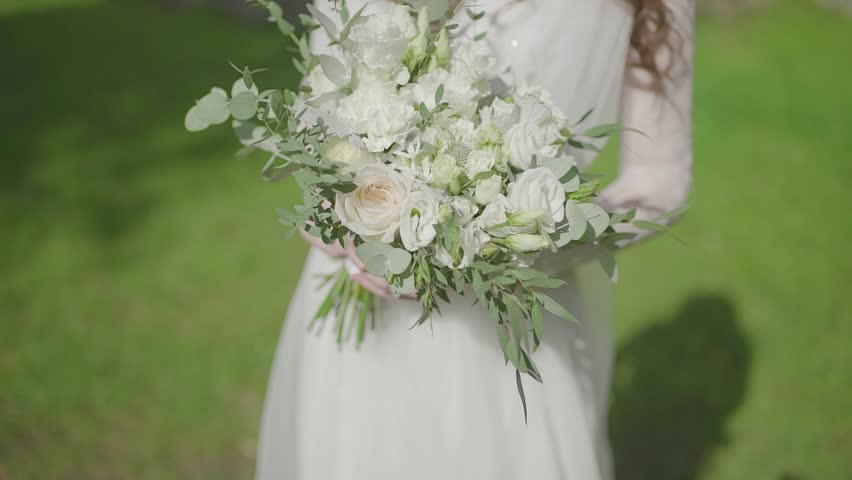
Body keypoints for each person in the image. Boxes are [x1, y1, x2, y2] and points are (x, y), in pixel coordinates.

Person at [256, 0, 694, 478]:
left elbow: (659, 182)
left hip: (514, 317)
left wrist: (520, 237)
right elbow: (322, 114)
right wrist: (342, 217)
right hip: (371, 319)